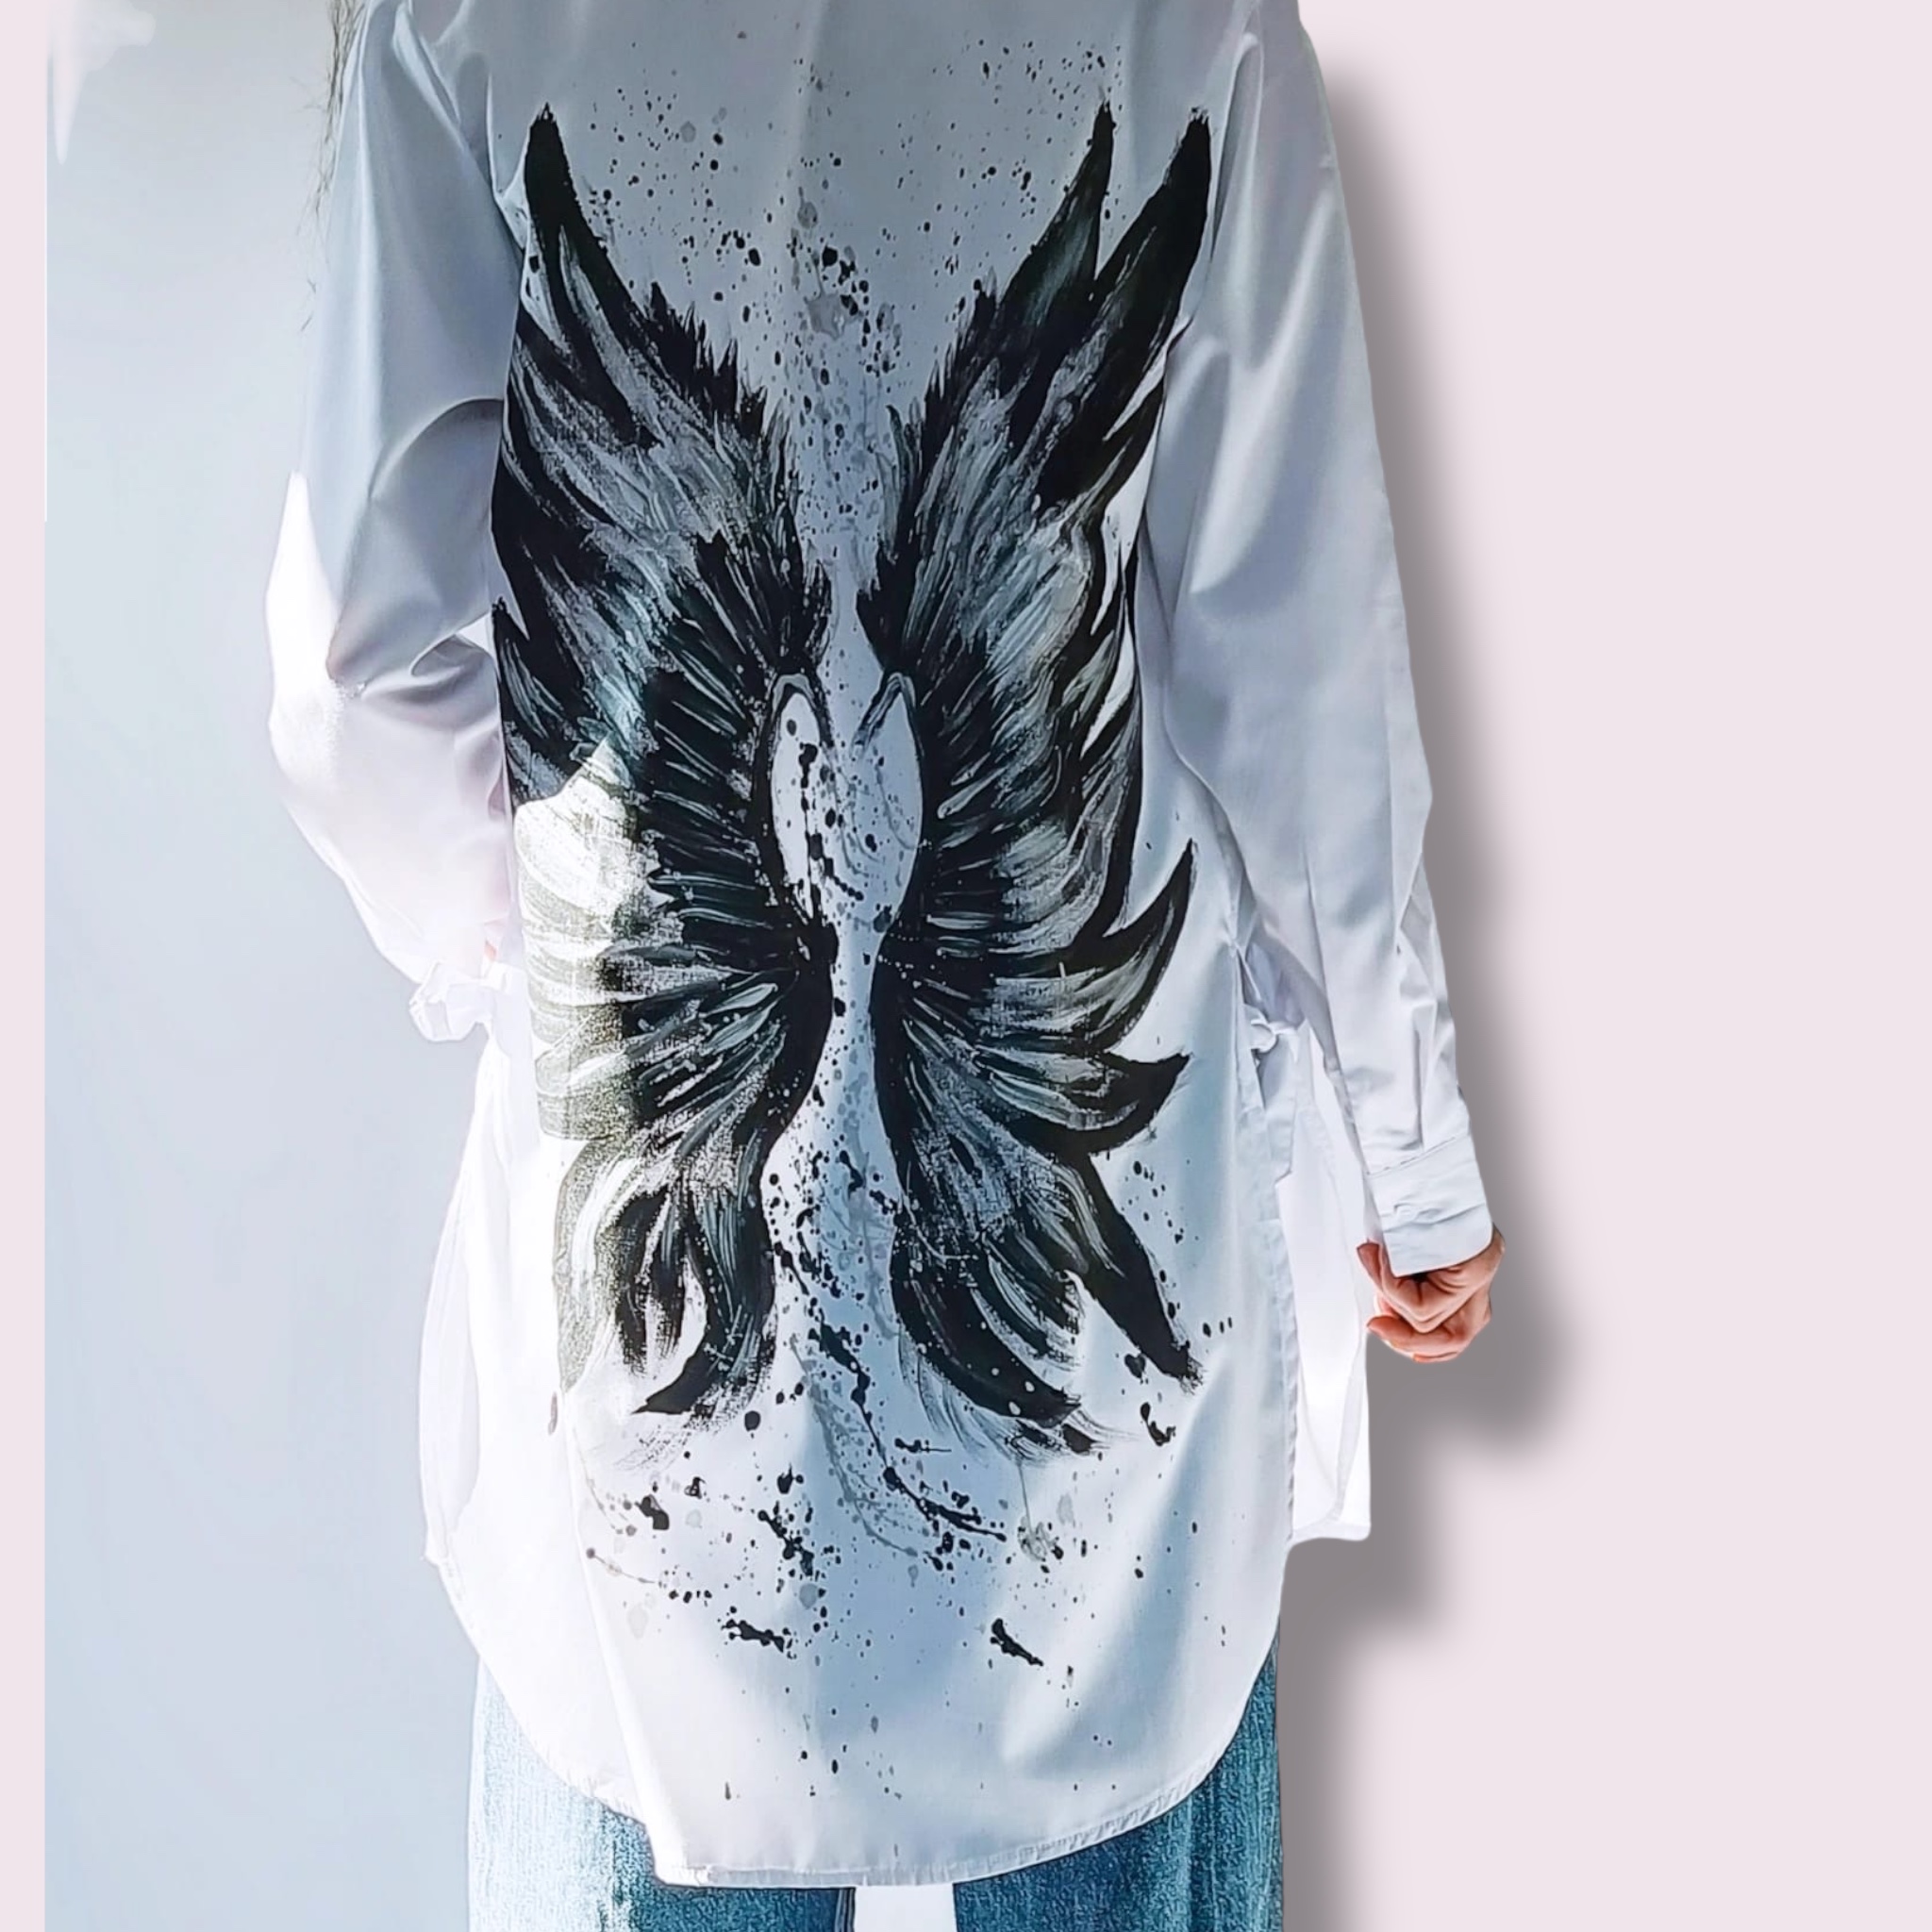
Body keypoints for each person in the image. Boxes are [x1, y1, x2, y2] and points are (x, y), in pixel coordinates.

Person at [265, 1, 1504, 1925]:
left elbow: (359, 668)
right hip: (1097, 1351)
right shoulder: (1194, 21)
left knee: (633, 1760)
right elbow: (1298, 672)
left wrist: (535, 964)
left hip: (642, 1314)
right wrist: (1408, 1148)